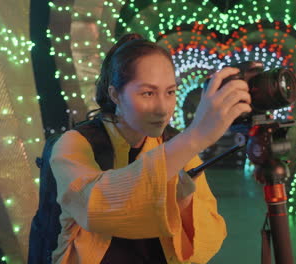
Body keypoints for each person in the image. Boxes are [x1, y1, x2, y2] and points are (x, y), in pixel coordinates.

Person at [49, 33, 254, 264]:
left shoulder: (175, 145)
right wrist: (195, 136)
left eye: (170, 92)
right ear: (115, 94)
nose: (163, 109)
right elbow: (93, 206)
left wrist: (183, 203)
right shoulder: (74, 143)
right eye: (148, 93)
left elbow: (211, 235)